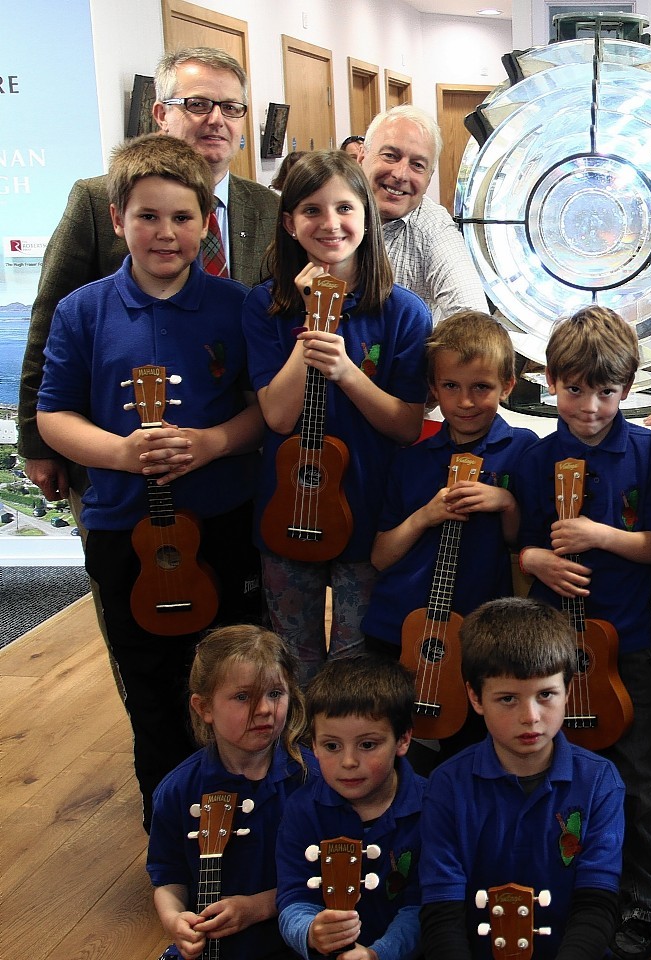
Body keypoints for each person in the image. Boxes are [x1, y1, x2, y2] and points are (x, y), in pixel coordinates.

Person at [36, 135, 267, 829]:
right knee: (151, 686)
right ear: (117, 220)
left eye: (182, 218)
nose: (165, 233)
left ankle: (250, 823)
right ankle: (172, 831)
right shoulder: (83, 311)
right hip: (123, 529)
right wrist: (121, 454)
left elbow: (267, 411)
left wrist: (212, 442)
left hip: (221, 524)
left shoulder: (239, 307)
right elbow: (54, 414)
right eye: (147, 217)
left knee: (237, 679)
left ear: (207, 223)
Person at [19, 46, 280, 506]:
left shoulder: (270, 207)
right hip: (116, 473)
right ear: (161, 112)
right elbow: (47, 324)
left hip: (232, 470)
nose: (216, 119)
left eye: (231, 107)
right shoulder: (97, 199)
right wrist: (39, 447)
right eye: (198, 104)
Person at [513, 306, 651, 959]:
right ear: (551, 380)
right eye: (574, 389)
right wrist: (535, 560)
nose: (589, 407)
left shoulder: (644, 449)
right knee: (556, 773)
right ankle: (564, 889)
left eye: (606, 392)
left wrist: (600, 536)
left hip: (626, 646)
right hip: (552, 654)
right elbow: (516, 546)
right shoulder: (533, 456)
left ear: (627, 387)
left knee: (636, 774)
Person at [243, 150, 430, 685]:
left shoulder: (404, 313)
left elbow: (406, 424)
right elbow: (278, 417)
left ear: (367, 216)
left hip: (368, 511)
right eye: (311, 210)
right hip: (286, 509)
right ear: (289, 222)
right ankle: (297, 763)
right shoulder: (264, 307)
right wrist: (313, 320)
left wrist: (347, 371)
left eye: (345, 208)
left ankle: (348, 767)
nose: (330, 224)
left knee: (357, 664)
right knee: (292, 662)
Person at [418, 597, 626, 960]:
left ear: (569, 692)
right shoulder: (446, 786)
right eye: (508, 699)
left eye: (546, 695)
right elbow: (441, 913)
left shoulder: (600, 782)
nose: (530, 717)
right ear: (475, 696)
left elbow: (596, 904)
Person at [363, 310, 535, 690]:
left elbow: (523, 544)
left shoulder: (523, 450)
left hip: (478, 633)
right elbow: (380, 556)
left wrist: (506, 502)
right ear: (433, 389)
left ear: (507, 385)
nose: (466, 402)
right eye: (451, 386)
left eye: (481, 387)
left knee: (466, 731)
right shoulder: (411, 459)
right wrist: (426, 515)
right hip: (398, 624)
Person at [147, 625, 312, 960]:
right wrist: (174, 919)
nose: (264, 709)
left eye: (275, 694)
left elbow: (328, 877)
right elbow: (168, 877)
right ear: (204, 707)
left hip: (297, 941)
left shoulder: (315, 779)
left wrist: (256, 907)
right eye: (243, 697)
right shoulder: (177, 790)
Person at [276, 656, 426, 960]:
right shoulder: (302, 809)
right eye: (332, 746)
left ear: (403, 739)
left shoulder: (432, 805)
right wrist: (310, 931)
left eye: (367, 745)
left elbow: (423, 905)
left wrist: (377, 954)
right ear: (313, 745)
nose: (348, 762)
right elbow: (293, 896)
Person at [359, 105, 486, 324]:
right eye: (390, 156)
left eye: (417, 165)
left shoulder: (434, 229)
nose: (400, 174)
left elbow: (475, 322)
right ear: (362, 156)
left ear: (429, 177)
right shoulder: (327, 211)